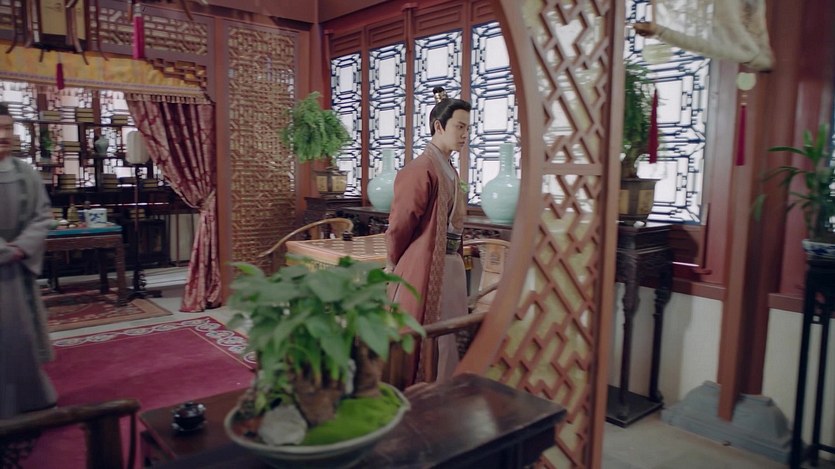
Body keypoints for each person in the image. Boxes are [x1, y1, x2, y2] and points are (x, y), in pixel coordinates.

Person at [386, 86, 471, 387]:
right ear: (439, 126)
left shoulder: (448, 168)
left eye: (467, 128)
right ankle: (424, 394)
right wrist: (394, 260)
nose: (465, 134)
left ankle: (444, 391)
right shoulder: (420, 169)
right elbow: (400, 223)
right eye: (459, 127)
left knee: (449, 336)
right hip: (424, 263)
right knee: (425, 337)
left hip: (449, 265)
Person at [0, 103, 57, 418]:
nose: (3, 135)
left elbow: (42, 215)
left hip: (18, 269)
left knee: (22, 336)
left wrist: (21, 248)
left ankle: (32, 399)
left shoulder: (26, 172)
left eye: (8, 128)